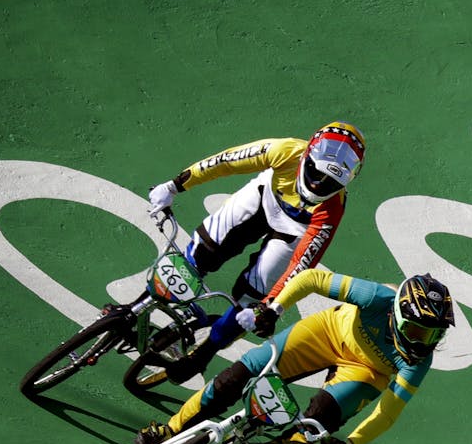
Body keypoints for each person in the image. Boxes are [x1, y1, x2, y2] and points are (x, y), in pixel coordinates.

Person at [133, 269, 453, 444]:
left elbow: (388, 411)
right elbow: (313, 278)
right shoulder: (377, 297)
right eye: (418, 331)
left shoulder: (418, 361)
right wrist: (274, 309)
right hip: (327, 333)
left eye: (433, 334)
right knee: (236, 377)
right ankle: (171, 428)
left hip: (367, 372)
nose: (424, 342)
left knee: (322, 418)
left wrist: (352, 442)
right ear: (398, 314)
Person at [142, 121, 366, 382]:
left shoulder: (332, 211)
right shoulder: (285, 150)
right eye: (316, 173)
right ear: (307, 156)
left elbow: (301, 266)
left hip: (294, 231)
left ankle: (203, 354)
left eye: (330, 183)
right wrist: (174, 186)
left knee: (253, 300)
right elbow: (225, 161)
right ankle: (139, 305)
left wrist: (271, 309)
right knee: (203, 251)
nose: (318, 185)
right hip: (263, 198)